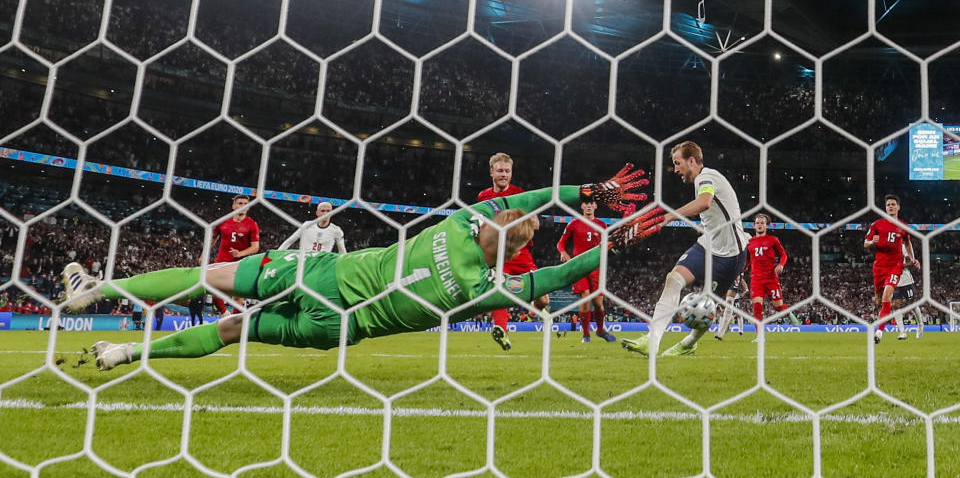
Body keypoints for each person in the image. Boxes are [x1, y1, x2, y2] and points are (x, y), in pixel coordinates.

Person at [60, 167, 659, 371]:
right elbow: (553, 278)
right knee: (231, 331)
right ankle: (125, 356)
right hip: (335, 329)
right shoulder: (484, 287)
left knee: (207, 276)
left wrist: (589, 188)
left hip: (318, 277)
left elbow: (526, 203)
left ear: (488, 223)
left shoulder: (456, 225)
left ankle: (98, 290)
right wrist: (616, 243)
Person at [622, 141, 749, 358]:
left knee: (708, 307)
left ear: (692, 161)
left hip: (730, 255)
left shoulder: (706, 177)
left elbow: (705, 202)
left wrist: (669, 216)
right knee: (673, 279)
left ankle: (689, 343)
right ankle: (651, 342)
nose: (676, 169)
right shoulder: (703, 180)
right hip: (708, 245)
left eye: (677, 163)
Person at [477, 152, 544, 352]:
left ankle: (535, 311)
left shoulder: (519, 194)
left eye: (507, 171)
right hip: (498, 252)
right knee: (500, 290)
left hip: (520, 251)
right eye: (500, 171)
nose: (504, 174)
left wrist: (528, 222)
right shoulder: (483, 197)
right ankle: (502, 330)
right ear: (492, 173)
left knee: (543, 298)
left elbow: (536, 224)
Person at [556, 200, 616, 343]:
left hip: (596, 267)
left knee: (598, 303)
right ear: (582, 206)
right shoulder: (573, 224)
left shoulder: (602, 225)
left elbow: (605, 246)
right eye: (586, 203)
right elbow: (560, 243)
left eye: (592, 203)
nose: (589, 206)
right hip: (579, 266)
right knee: (585, 296)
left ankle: (601, 331)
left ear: (596, 206)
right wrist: (563, 252)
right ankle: (586, 335)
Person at [865, 194, 919, 344]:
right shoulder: (877, 224)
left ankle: (879, 333)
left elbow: (908, 244)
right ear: (885, 208)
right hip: (879, 268)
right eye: (888, 204)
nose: (890, 206)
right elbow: (865, 243)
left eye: (893, 204)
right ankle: (883, 323)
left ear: (898, 207)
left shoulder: (903, 226)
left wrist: (912, 258)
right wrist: (872, 242)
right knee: (880, 301)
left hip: (895, 267)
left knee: (888, 296)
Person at [205, 194, 261, 317]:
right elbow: (212, 239)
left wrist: (240, 253)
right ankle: (225, 313)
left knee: (238, 298)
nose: (243, 206)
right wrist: (204, 255)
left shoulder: (252, 224)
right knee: (214, 291)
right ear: (234, 206)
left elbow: (255, 247)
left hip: (241, 265)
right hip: (222, 262)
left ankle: (236, 323)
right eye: (240, 203)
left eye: (246, 204)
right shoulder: (223, 221)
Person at [744, 213, 801, 330]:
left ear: (766, 226)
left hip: (771, 278)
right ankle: (759, 336)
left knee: (778, 307)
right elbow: (748, 260)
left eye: (762, 223)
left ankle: (788, 313)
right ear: (754, 225)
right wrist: (741, 271)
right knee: (757, 307)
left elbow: (783, 254)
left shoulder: (772, 240)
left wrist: (781, 264)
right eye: (758, 223)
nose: (760, 225)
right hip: (756, 279)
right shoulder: (749, 243)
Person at [892, 265, 923, 340]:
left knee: (912, 305)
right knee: (895, 305)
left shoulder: (905, 252)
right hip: (894, 280)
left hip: (906, 281)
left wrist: (898, 266)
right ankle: (902, 332)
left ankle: (920, 324)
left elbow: (910, 262)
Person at [714, 273, 747, 340]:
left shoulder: (738, 273)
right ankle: (721, 331)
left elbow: (743, 284)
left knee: (738, 314)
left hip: (735, 297)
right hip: (725, 294)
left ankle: (740, 330)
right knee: (722, 313)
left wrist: (745, 290)